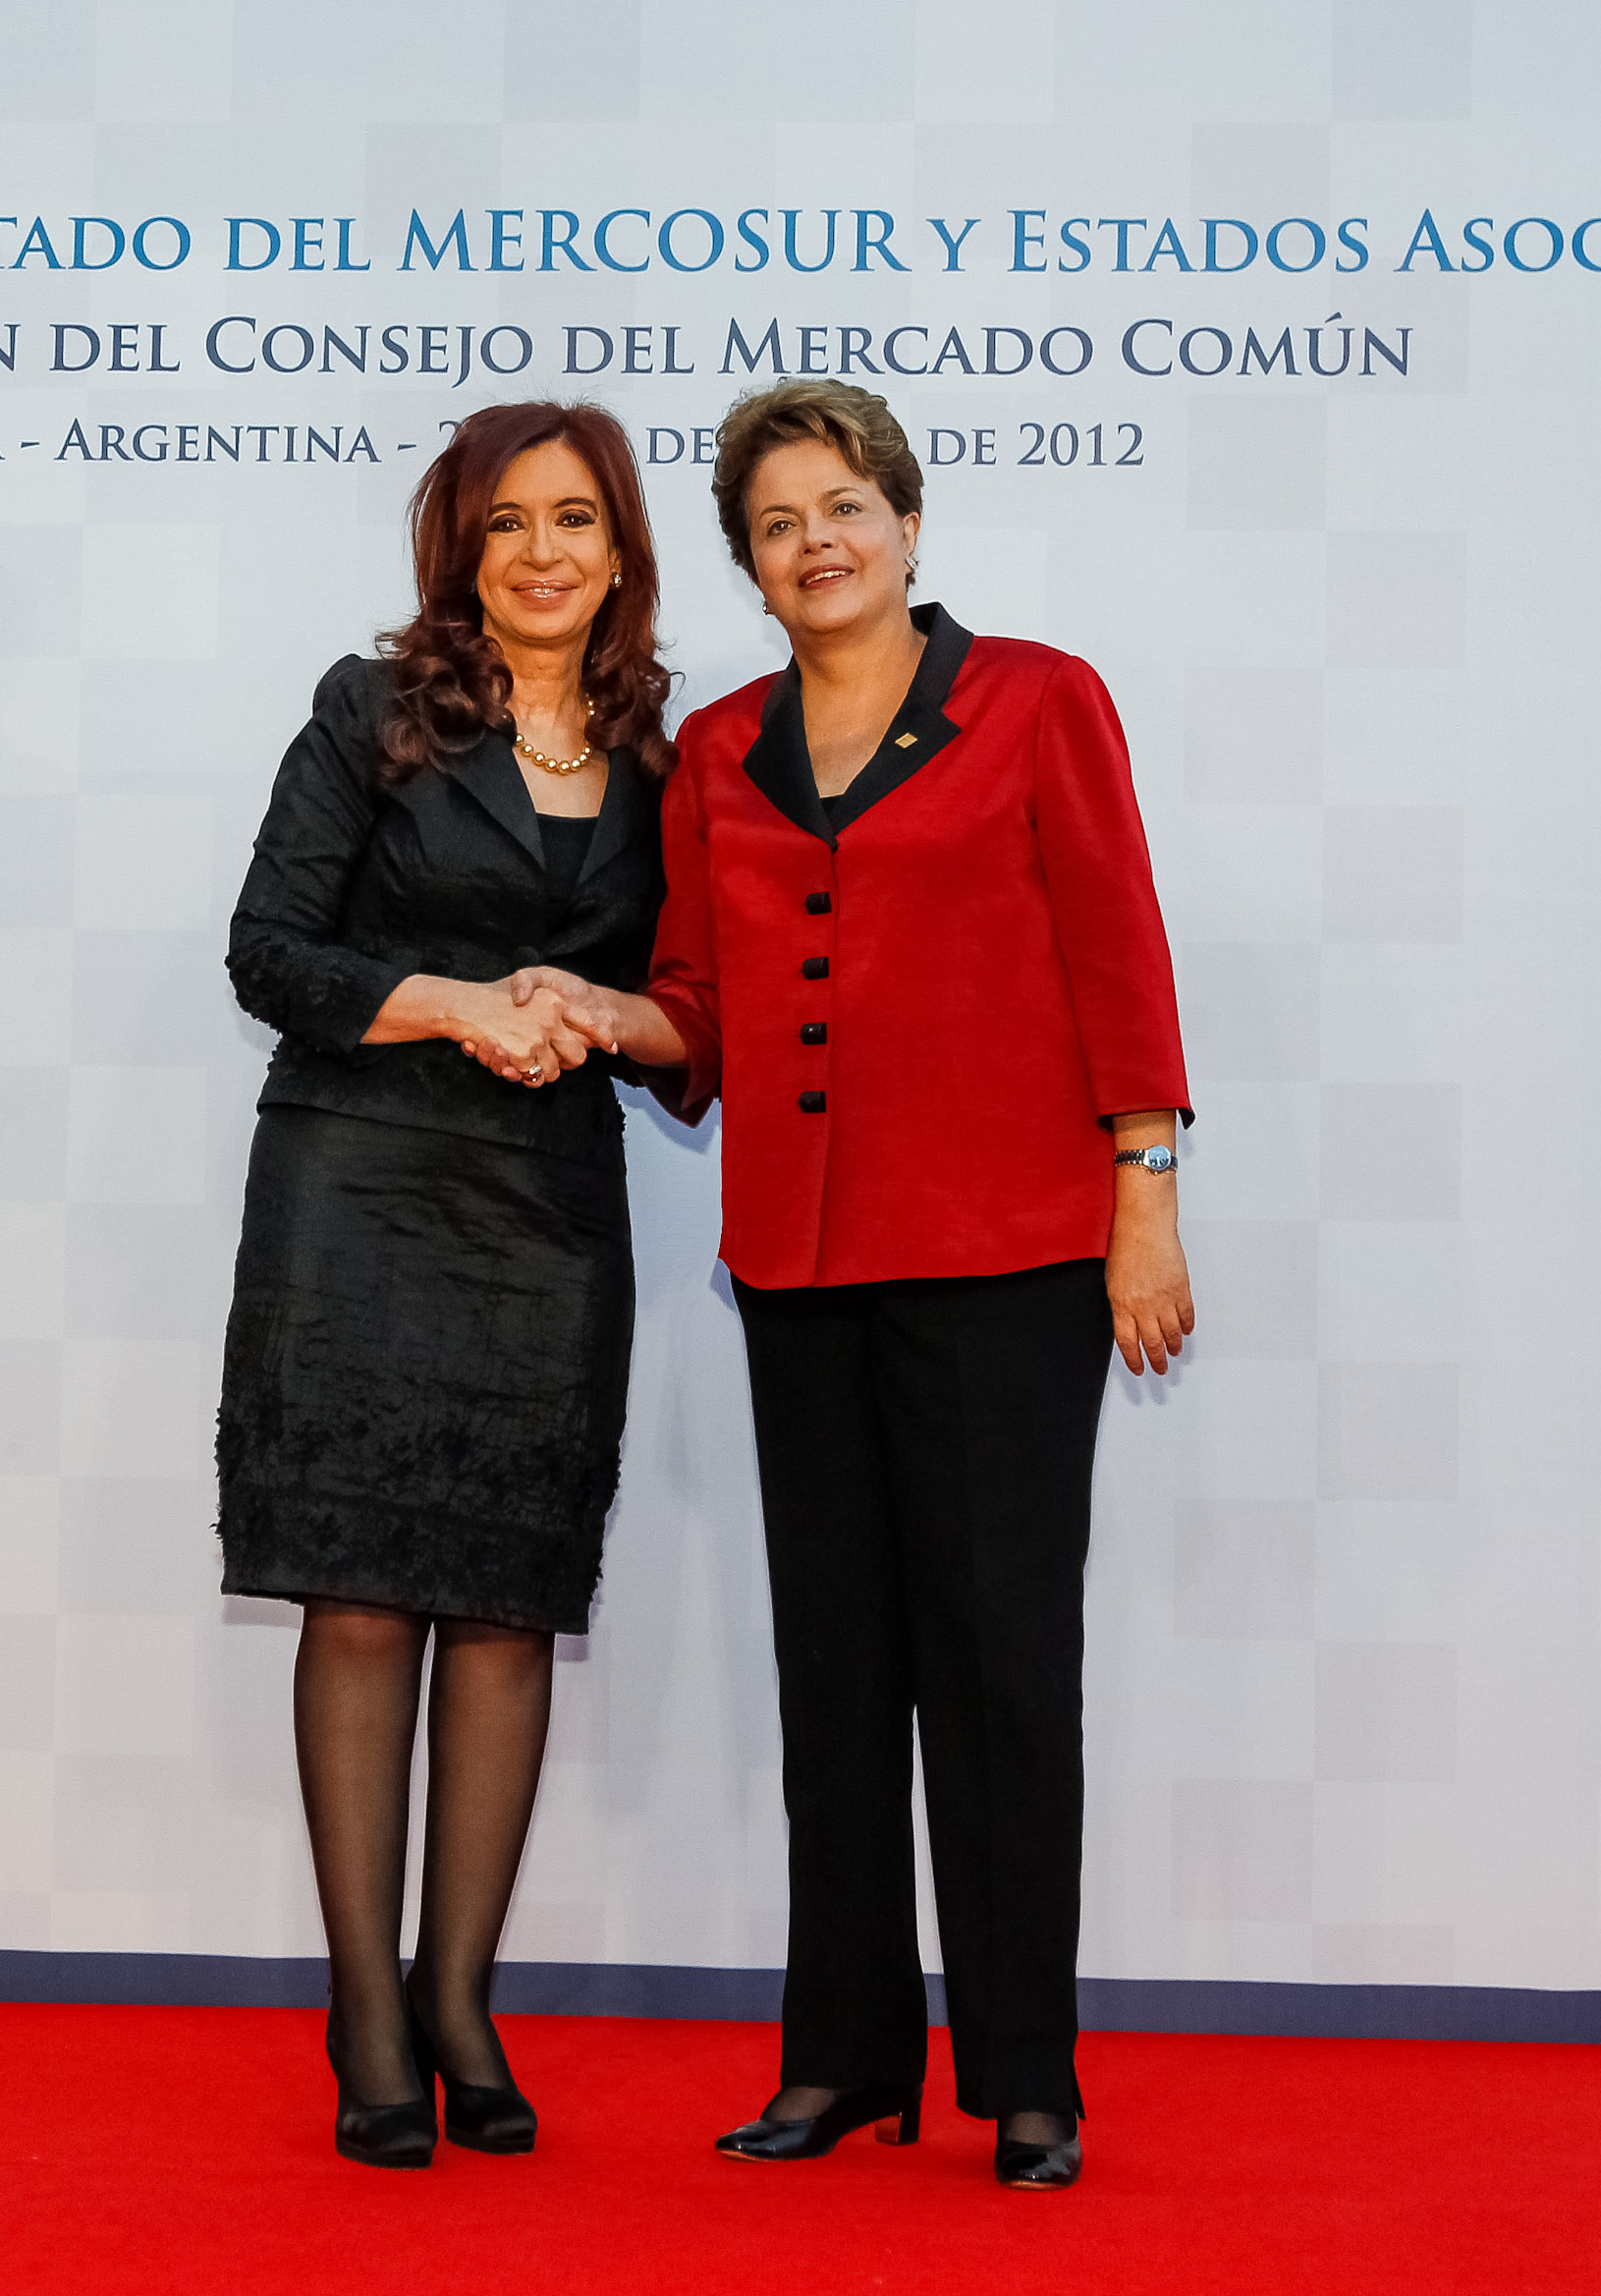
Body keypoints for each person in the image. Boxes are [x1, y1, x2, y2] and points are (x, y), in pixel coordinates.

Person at [513, 378, 1192, 2192]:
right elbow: (704, 1006)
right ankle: (841, 2057)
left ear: (905, 519)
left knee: (998, 1671)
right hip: (798, 1258)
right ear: (746, 562)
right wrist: (604, 1017)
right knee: (836, 1671)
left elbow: (1118, 951)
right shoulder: (721, 750)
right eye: (778, 523)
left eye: (843, 507)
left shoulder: (1038, 698)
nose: (815, 541)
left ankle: (1025, 2074)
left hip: (1010, 1254)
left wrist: (1147, 1193)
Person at [218, 401, 673, 2169]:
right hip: (360, 1179)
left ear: (622, 548)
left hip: (549, 1209)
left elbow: (689, 1014)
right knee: (359, 1593)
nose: (542, 553)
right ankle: (365, 2010)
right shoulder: (371, 710)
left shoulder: (671, 756)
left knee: (503, 1602)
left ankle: (462, 1989)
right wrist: (461, 1000)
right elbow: (272, 949)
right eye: (507, 526)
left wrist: (608, 1015)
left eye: (574, 520)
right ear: (460, 553)